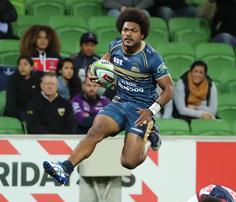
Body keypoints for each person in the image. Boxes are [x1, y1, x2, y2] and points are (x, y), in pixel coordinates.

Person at [43, 8, 174, 185]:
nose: (128, 34)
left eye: (133, 31)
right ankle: (66, 167)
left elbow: (169, 89)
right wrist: (95, 74)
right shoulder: (115, 46)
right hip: (119, 103)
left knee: (128, 162)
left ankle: (151, 139)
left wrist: (152, 111)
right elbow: (100, 67)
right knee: (95, 130)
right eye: (125, 30)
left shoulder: (151, 58)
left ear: (142, 35)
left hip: (141, 110)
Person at [4, 56, 42, 121]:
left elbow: (39, 101)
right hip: (16, 113)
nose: (22, 67)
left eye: (25, 64)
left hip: (32, 112)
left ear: (31, 67)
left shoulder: (37, 80)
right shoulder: (14, 79)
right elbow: (10, 103)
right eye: (20, 65)